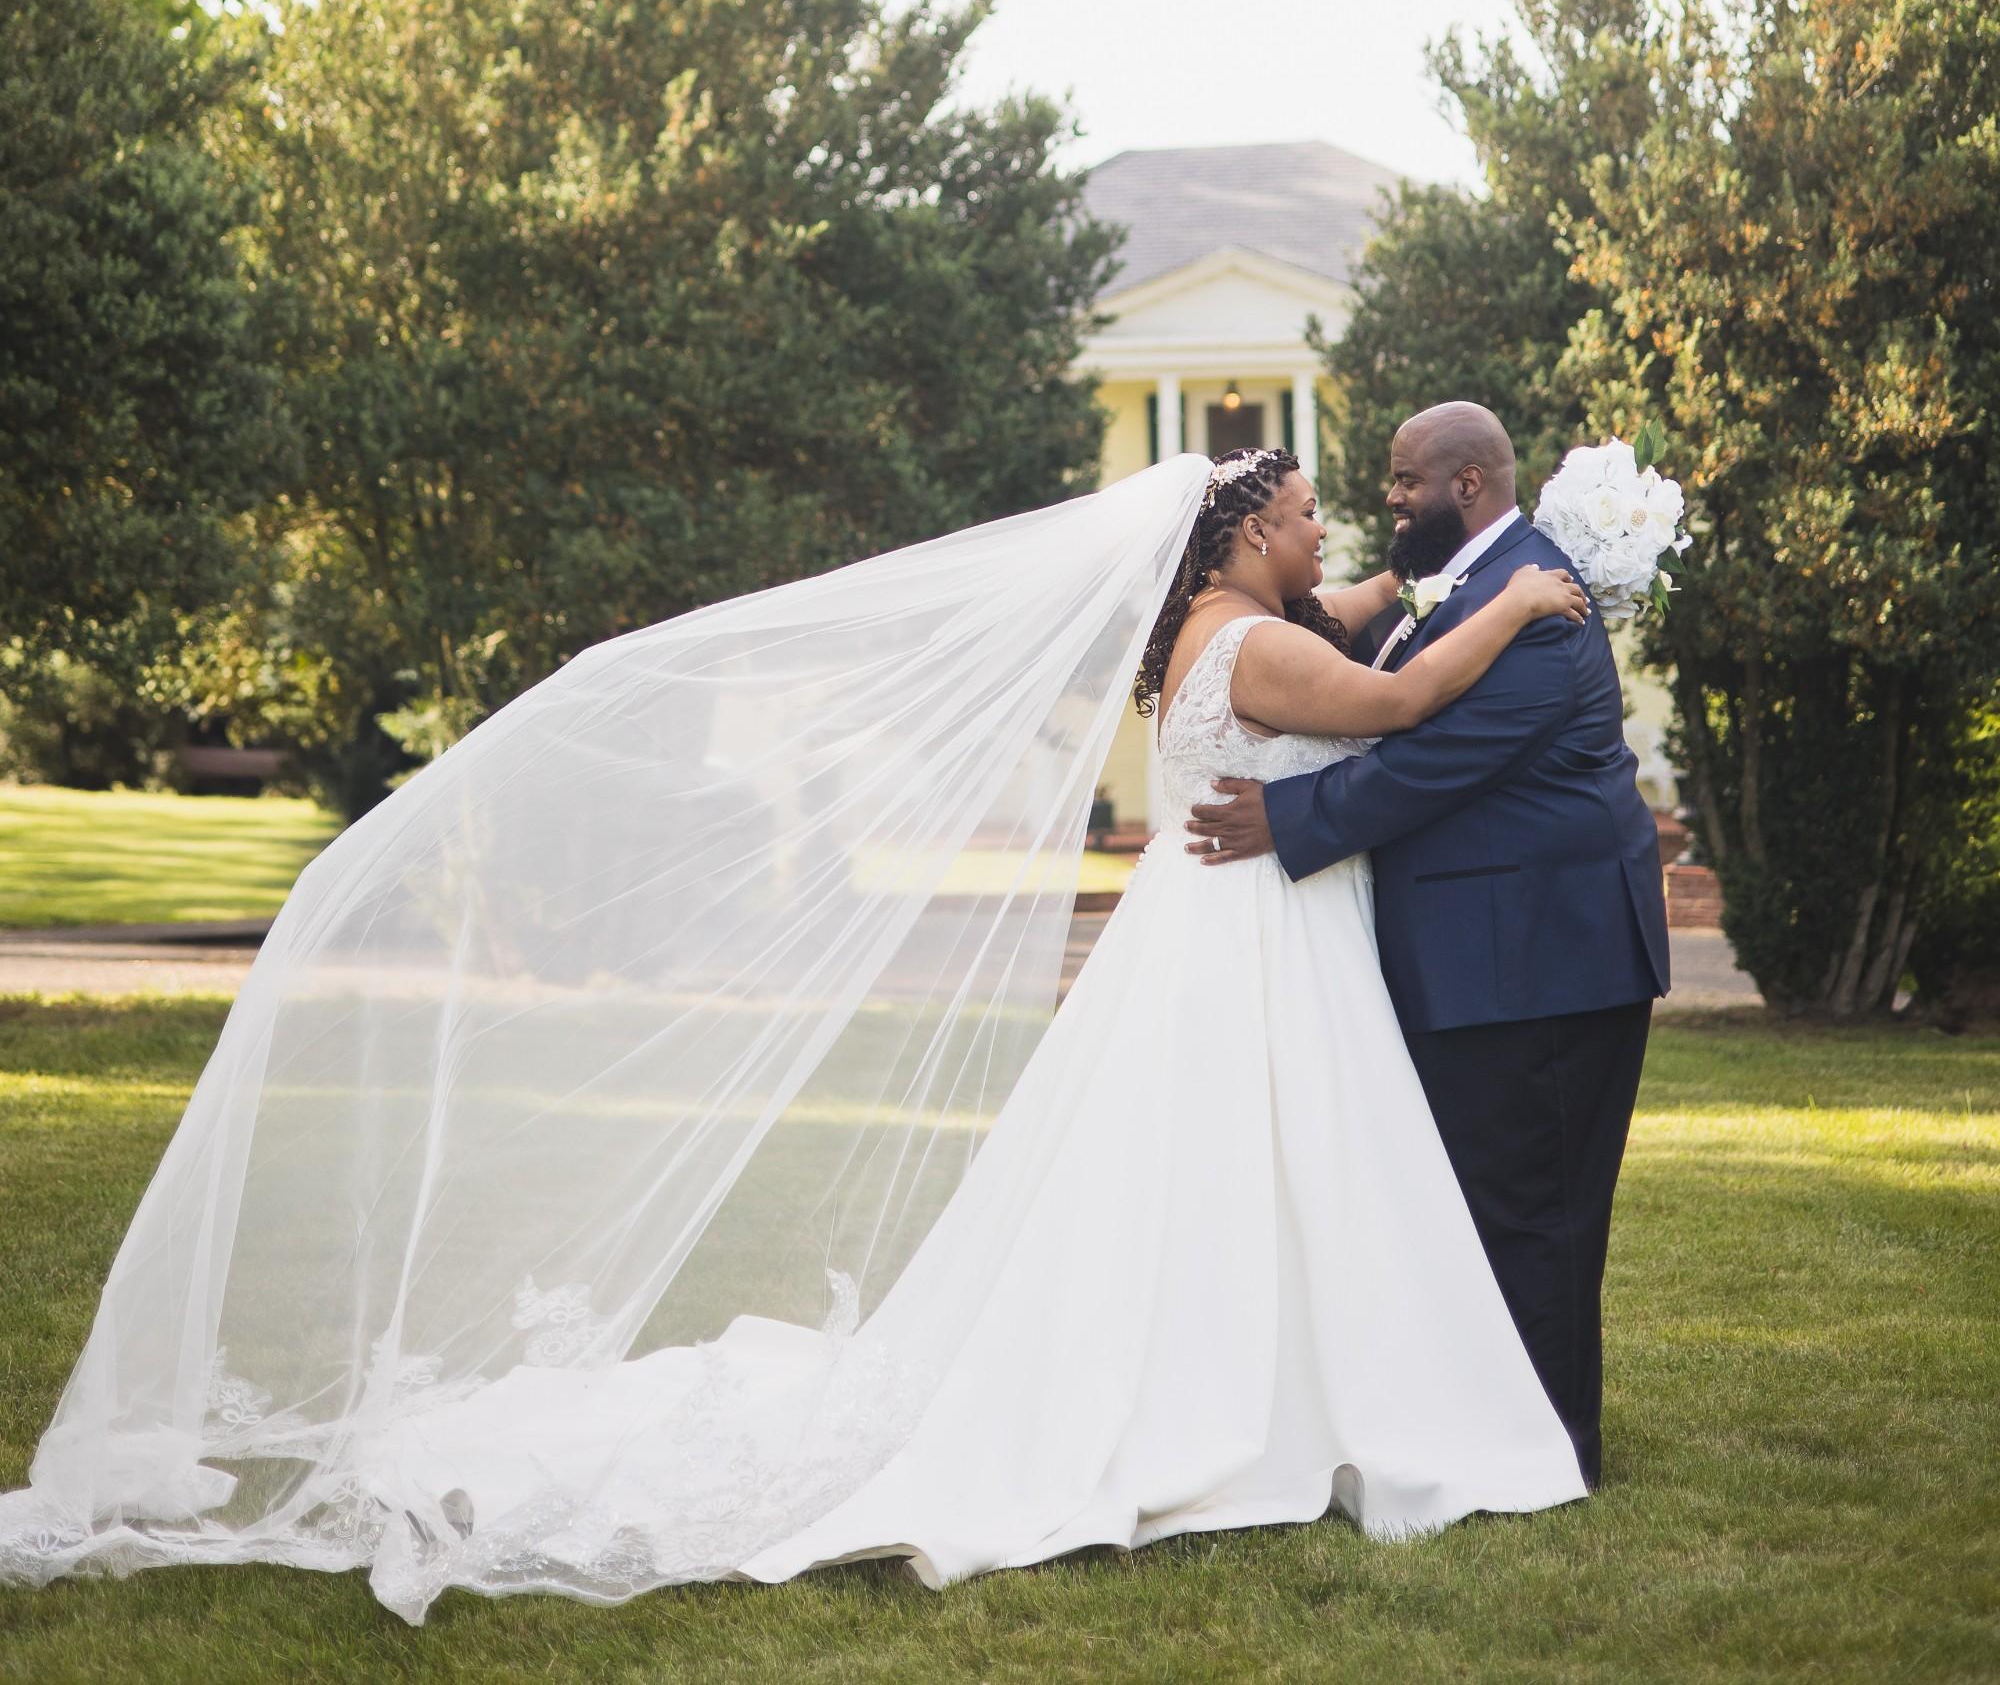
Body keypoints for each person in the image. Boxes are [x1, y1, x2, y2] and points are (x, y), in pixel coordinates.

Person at [0, 449, 1598, 1621]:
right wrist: (1520, 591)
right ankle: (1271, 1397)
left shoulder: (1219, 630)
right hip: (1249, 942)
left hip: (1213, 942)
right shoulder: (1258, 644)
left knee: (1208, 1174)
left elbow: (1370, 609)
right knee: (1271, 1162)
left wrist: (1431, 579)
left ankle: (1271, 1379)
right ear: (1251, 533)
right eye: (1313, 512)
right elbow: (1390, 707)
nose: (1335, 533)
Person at [1187, 404, 1671, 1489]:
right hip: (1491, 953)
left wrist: (1292, 816)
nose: (1387, 499)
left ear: (1465, 485)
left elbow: (1439, 759)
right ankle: (1486, 1430)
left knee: (1534, 1213)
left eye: (1403, 481)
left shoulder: (1536, 605)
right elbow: (1366, 653)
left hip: (1543, 957)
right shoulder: (1471, 585)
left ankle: (1550, 1450)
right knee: (1481, 1208)